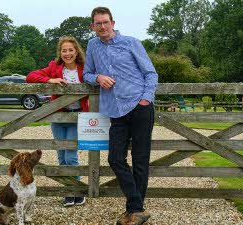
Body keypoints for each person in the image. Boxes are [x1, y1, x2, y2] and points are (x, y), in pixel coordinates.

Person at [83, 6, 158, 225]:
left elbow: (151, 73)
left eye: (106, 22)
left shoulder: (131, 43)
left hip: (139, 107)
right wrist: (98, 78)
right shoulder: (92, 46)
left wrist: (146, 99)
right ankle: (137, 208)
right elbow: (87, 72)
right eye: (98, 23)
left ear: (113, 23)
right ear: (93, 26)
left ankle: (133, 211)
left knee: (140, 160)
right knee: (115, 159)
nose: (103, 26)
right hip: (115, 110)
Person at [26, 36, 88, 207]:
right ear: (60, 53)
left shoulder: (85, 68)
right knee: (61, 156)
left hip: (77, 117)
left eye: (71, 50)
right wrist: (49, 80)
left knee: (70, 156)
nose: (67, 53)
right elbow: (30, 76)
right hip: (59, 117)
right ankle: (68, 192)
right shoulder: (54, 67)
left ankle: (78, 191)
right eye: (64, 50)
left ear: (77, 51)